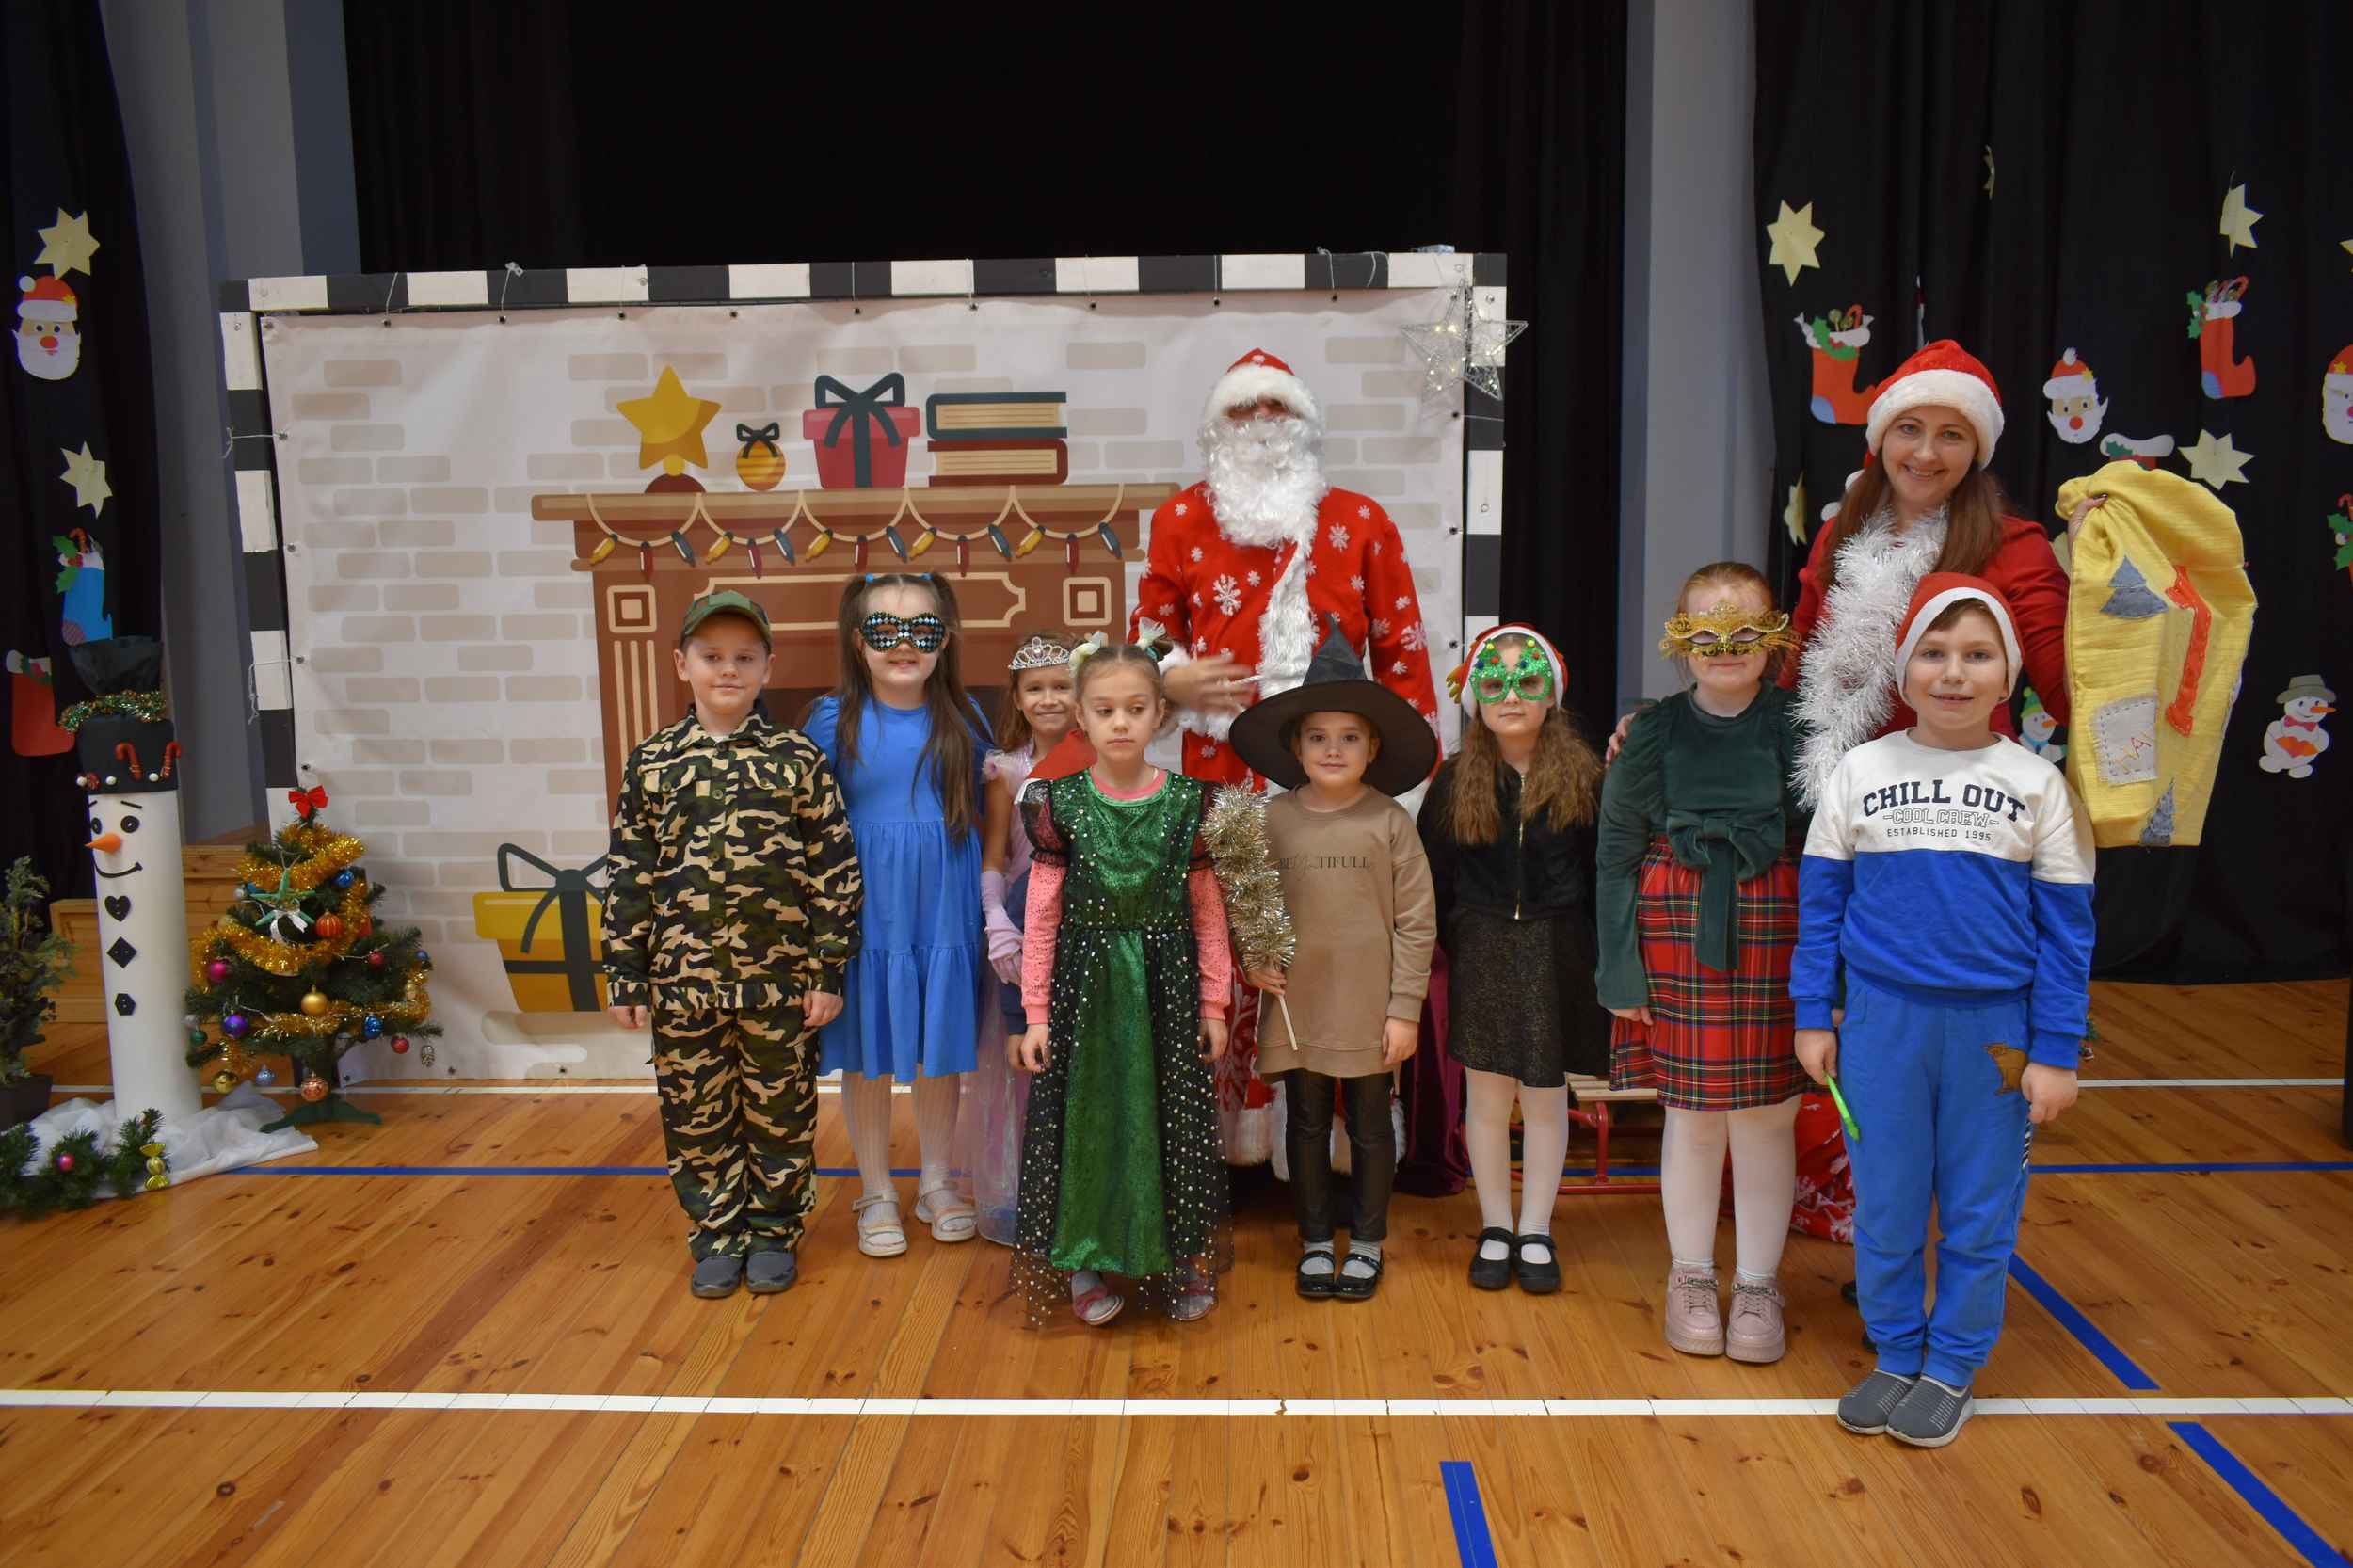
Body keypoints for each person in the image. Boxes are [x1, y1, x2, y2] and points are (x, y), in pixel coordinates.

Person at [1796, 575, 2093, 1448]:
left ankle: (1953, 1365)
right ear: (1903, 668)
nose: (1953, 672)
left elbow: (2069, 935)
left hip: (1996, 1035)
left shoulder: (2037, 784)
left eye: (1977, 655)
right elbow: (1821, 910)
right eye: (1933, 652)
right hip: (1881, 1026)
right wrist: (1813, 1012)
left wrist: (2057, 1051)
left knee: (1978, 1211)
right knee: (1886, 1207)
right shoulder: (1860, 771)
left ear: (2009, 676)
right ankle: (1896, 1352)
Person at [1128, 347, 1442, 1165]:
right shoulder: (1179, 519)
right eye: (1244, 410)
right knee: (1225, 938)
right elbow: (1145, 638)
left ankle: (1330, 1141)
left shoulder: (1362, 521)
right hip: (1220, 770)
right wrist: (1171, 675)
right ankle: (1223, 1139)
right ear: (1216, 427)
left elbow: (1404, 654)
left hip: (1336, 775)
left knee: (1333, 938)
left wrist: (1403, 787)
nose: (1262, 424)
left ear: (1306, 424)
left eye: (1278, 409)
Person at [603, 590, 862, 1298]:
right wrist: (625, 972)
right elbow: (629, 872)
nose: (728, 670)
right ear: (681, 664)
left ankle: (774, 1231)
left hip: (779, 981)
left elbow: (834, 869)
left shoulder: (797, 759)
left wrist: (828, 970)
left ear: (767, 668)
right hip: (682, 982)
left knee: (782, 1112)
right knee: (696, 1115)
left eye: (744, 658)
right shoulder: (653, 762)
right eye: (712, 656)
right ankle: (717, 1233)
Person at [1597, 563, 1811, 1363]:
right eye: (1707, 632)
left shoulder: (1800, 728)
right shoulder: (1651, 732)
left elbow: (1829, 853)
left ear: (1775, 637)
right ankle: (1690, 1274)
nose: (1727, 648)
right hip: (1674, 936)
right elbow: (1615, 856)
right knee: (1689, 1118)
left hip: (1776, 931)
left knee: (1767, 1118)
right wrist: (1619, 968)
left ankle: (1757, 1283)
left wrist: (1826, 975)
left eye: (1745, 631)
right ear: (1679, 640)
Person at [1013, 639, 1233, 1325]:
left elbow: (1208, 916)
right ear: (1080, 716)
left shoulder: (1192, 805)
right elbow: (1041, 918)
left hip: (1167, 993)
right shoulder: (1058, 804)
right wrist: (1036, 1013)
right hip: (1086, 996)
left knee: (1173, 1121)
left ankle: (1183, 1255)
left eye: (1135, 709)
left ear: (1160, 713)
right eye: (1104, 709)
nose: (1120, 723)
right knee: (1090, 1121)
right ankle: (1082, 1259)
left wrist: (1215, 1003)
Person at [1228, 616, 1438, 1303]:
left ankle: (1368, 1242)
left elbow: (1417, 923)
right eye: (1318, 736)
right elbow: (1249, 903)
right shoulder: (1272, 819)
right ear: (1295, 746)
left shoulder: (1390, 822)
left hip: (1371, 1009)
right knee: (1306, 1121)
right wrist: (1254, 960)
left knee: (1371, 1125)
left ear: (1373, 748)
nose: (1333, 749)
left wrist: (1404, 1010)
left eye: (1349, 737)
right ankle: (1316, 1240)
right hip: (1298, 1004)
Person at [803, 573, 993, 1258]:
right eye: (885, 629)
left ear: (946, 640)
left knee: (940, 1043)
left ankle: (936, 1180)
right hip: (868, 905)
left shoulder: (965, 719)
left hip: (943, 902)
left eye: (923, 628)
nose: (904, 643)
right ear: (858, 642)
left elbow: (987, 807)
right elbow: (810, 824)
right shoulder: (832, 720)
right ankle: (877, 1188)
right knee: (870, 1047)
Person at [1420, 624, 1607, 1295]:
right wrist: (1461, 937)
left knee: (1547, 1095)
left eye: (1526, 681)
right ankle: (1496, 1225)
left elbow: (1599, 871)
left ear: (1551, 694)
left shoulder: (1586, 778)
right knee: (1489, 1096)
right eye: (1494, 683)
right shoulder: (1454, 781)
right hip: (1484, 947)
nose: (1510, 695)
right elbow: (1433, 875)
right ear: (1475, 696)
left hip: (1557, 948)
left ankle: (1536, 1228)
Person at [965, 631, 1080, 1244]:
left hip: (1082, 929)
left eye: (1062, 686)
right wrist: (997, 923)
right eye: (1036, 688)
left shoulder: (1098, 761)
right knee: (1023, 1067)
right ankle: (1027, 1191)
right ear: (1017, 696)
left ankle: (1079, 1194)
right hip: (1020, 937)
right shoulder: (1006, 769)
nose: (1049, 698)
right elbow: (994, 854)